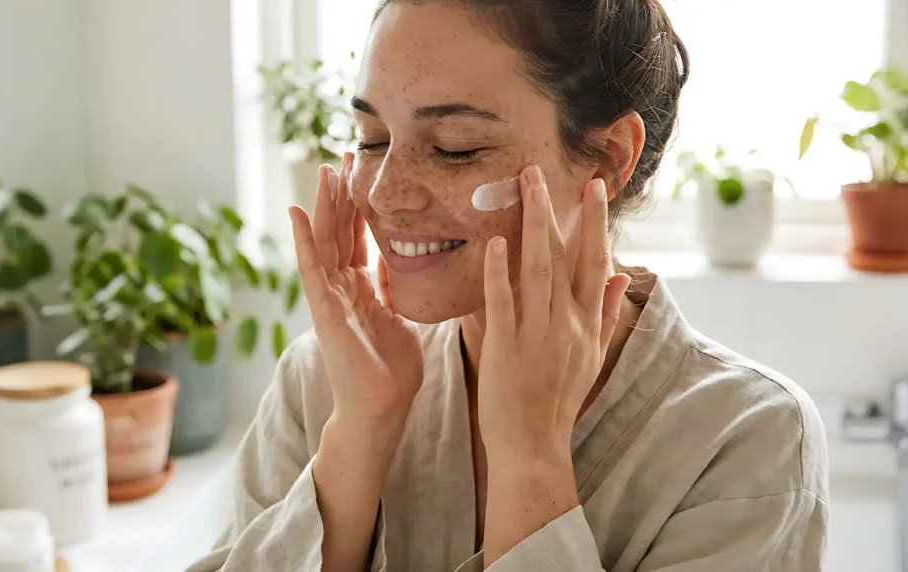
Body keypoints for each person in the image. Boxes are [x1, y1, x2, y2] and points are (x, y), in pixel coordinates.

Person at [187, 0, 828, 570]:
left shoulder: (749, 438)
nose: (385, 195)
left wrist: (531, 462)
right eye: (374, 139)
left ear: (607, 158)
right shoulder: (323, 381)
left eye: (457, 147)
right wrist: (360, 430)